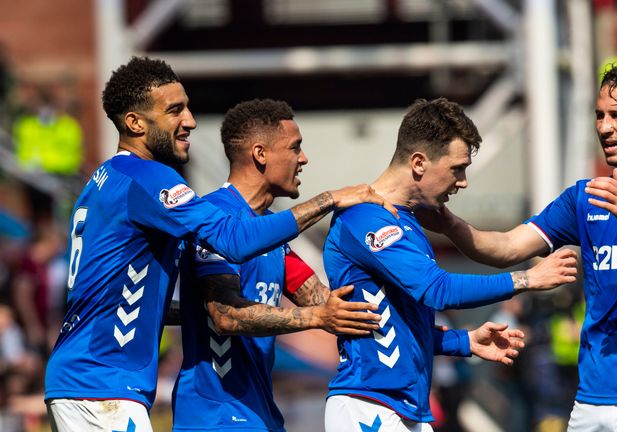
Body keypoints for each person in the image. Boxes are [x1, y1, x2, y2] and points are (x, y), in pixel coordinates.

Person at [43, 57, 395, 432]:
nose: (190, 120)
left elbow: (122, 293)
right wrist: (329, 200)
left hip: (95, 379)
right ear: (135, 123)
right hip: (105, 382)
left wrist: (448, 337)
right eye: (175, 110)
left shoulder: (106, 180)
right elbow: (233, 245)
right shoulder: (149, 179)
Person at [419, 62, 617, 431]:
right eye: (599, 115)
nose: (604, 126)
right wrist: (450, 225)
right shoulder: (585, 197)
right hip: (591, 402)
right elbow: (505, 247)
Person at [322, 97, 579, 431]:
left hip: (404, 408)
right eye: (457, 169)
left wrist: (465, 341)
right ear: (418, 163)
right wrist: (526, 279)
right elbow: (437, 288)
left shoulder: (410, 222)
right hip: (366, 405)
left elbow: (402, 324)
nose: (463, 182)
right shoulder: (364, 218)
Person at [171, 98, 392, 431]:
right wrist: (330, 199)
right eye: (295, 148)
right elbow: (226, 315)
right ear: (260, 154)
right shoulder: (215, 219)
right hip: (215, 417)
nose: (303, 159)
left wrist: (451, 335)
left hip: (260, 415)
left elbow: (325, 301)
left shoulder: (270, 232)